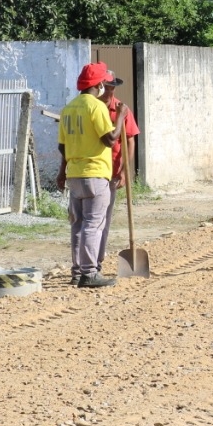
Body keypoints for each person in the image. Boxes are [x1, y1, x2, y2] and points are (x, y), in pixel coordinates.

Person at [56, 62, 129, 288]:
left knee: (77, 224)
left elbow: (62, 147)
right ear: (99, 84)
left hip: (75, 175)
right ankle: (89, 273)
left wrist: (63, 171)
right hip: (96, 174)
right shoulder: (95, 107)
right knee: (93, 224)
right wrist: (121, 117)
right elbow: (109, 139)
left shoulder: (68, 108)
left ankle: (77, 272)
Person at [97, 70, 140, 274]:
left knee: (105, 216)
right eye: (107, 86)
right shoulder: (93, 108)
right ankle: (91, 259)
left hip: (112, 171)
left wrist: (125, 169)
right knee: (90, 219)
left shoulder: (122, 109)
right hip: (94, 169)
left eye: (113, 87)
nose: (110, 91)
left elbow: (130, 140)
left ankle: (98, 257)